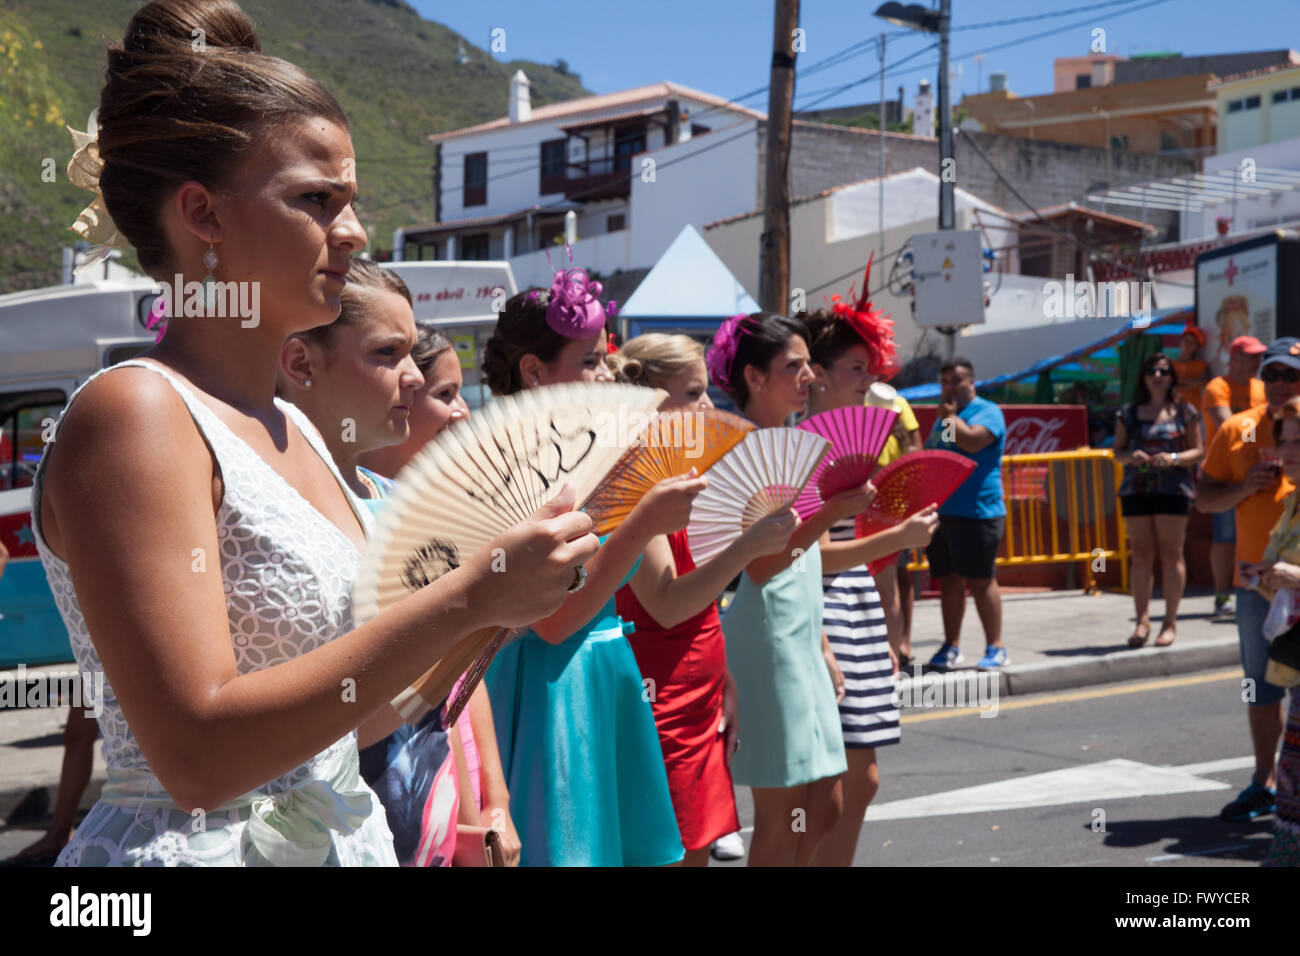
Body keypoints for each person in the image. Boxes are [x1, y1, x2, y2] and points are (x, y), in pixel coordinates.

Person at [31, 0, 595, 867]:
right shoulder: (137, 415)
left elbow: (362, 707)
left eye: (351, 201)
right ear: (203, 215)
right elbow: (195, 758)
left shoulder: (289, 423)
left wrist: (503, 602)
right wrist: (472, 596)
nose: (355, 231)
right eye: (316, 199)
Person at [278, 260, 522, 866]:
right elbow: (328, 726)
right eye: (389, 352)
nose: (412, 377)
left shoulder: (392, 505)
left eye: (412, 353)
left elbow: (445, 705)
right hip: (337, 821)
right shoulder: (276, 509)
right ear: (301, 362)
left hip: (427, 807)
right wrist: (479, 609)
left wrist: (483, 807)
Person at [481, 279, 702, 867]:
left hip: (601, 671)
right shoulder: (518, 466)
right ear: (533, 371)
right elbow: (552, 623)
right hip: (556, 686)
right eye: (591, 360)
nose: (608, 373)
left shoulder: (584, 453)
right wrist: (642, 521)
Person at [607, 333, 797, 866]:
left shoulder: (676, 475)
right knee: (672, 853)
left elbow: (700, 601)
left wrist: (725, 677)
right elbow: (666, 602)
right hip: (659, 699)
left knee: (694, 852)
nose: (709, 407)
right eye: (694, 393)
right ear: (648, 400)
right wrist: (749, 546)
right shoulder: (634, 483)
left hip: (698, 691)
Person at [706, 311, 873, 867]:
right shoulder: (744, 447)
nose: (810, 376)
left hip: (799, 635)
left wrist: (822, 643)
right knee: (781, 814)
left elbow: (800, 562)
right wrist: (832, 512)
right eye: (793, 366)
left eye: (809, 365)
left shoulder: (791, 441)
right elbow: (761, 567)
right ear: (755, 378)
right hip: (765, 636)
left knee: (827, 805)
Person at [358, 325, 520, 858]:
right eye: (445, 394)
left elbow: (469, 668)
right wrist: (472, 815)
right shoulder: (368, 516)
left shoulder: (440, 511)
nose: (463, 412)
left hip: (460, 749)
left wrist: (495, 798)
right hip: (411, 764)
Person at [803, 306, 938, 866]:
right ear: (819, 373)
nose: (869, 381)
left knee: (863, 780)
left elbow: (864, 559)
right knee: (826, 788)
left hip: (855, 605)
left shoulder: (859, 449)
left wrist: (885, 627)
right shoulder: (799, 450)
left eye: (873, 368)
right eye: (857, 368)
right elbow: (802, 560)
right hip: (816, 610)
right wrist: (896, 536)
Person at [1197, 337, 1300, 824]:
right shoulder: (1239, 429)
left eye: (1291, 377)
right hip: (1256, 588)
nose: (1280, 384)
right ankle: (1264, 782)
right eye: (1273, 375)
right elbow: (1203, 498)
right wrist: (1243, 487)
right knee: (1259, 687)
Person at [1238, 397, 1300, 866]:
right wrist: (1263, 579)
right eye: (1284, 441)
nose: (1289, 450)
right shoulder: (1293, 502)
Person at [1112, 353, 1203, 648]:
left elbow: (1198, 451)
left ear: (1171, 377)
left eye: (1164, 371)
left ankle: (1170, 623)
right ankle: (1142, 621)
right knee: (1140, 554)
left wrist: (1173, 458)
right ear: (1143, 377)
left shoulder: (1184, 412)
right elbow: (1118, 452)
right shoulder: (1127, 413)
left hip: (1173, 488)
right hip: (1136, 488)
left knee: (1171, 554)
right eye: (1152, 370)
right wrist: (1132, 457)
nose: (1158, 375)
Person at [923, 358, 1009, 670]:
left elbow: (971, 442)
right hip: (945, 511)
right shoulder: (946, 417)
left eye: (957, 380)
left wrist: (949, 418)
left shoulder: (988, 411)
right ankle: (951, 646)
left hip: (978, 511)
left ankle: (996, 646)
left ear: (971, 382)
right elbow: (940, 453)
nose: (951, 387)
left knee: (982, 580)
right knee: (949, 580)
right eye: (945, 381)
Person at [1202, 335, 1266, 620]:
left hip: (1261, 472)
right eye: (1250, 356)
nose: (1257, 361)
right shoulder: (1217, 387)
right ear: (1234, 358)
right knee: (1226, 535)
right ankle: (1221, 594)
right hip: (1225, 474)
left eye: (1259, 356)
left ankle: (1258, 590)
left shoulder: (1262, 388)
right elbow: (1230, 426)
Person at [1171, 324, 1210, 415]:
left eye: (1192, 342)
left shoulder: (1201, 365)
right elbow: (1169, 384)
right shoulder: (1170, 364)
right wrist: (1193, 383)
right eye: (1186, 340)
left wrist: (1179, 382)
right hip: (1174, 410)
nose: (1188, 344)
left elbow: (1204, 382)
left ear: (1197, 347)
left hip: (1196, 411)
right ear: (1180, 342)